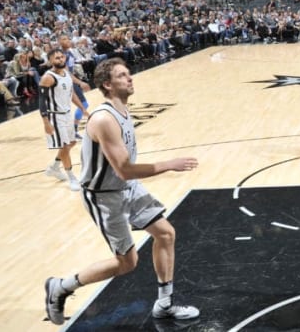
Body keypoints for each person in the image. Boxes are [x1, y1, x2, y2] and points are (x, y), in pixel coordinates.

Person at [44, 58, 200, 325]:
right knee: (127, 263)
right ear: (107, 84)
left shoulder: (123, 111)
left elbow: (125, 175)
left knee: (165, 233)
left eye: (129, 74)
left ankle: (164, 304)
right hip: (103, 195)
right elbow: (125, 170)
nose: (130, 78)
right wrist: (169, 164)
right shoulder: (104, 119)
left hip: (126, 187)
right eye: (122, 75)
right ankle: (61, 286)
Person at [39, 49, 88, 191]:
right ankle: (71, 177)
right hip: (55, 116)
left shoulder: (66, 72)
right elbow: (41, 102)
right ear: (50, 61)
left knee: (72, 142)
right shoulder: (48, 78)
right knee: (65, 146)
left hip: (67, 114)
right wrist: (46, 122)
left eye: (61, 57)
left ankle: (54, 167)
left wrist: (83, 109)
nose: (60, 60)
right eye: (56, 58)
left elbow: (71, 94)